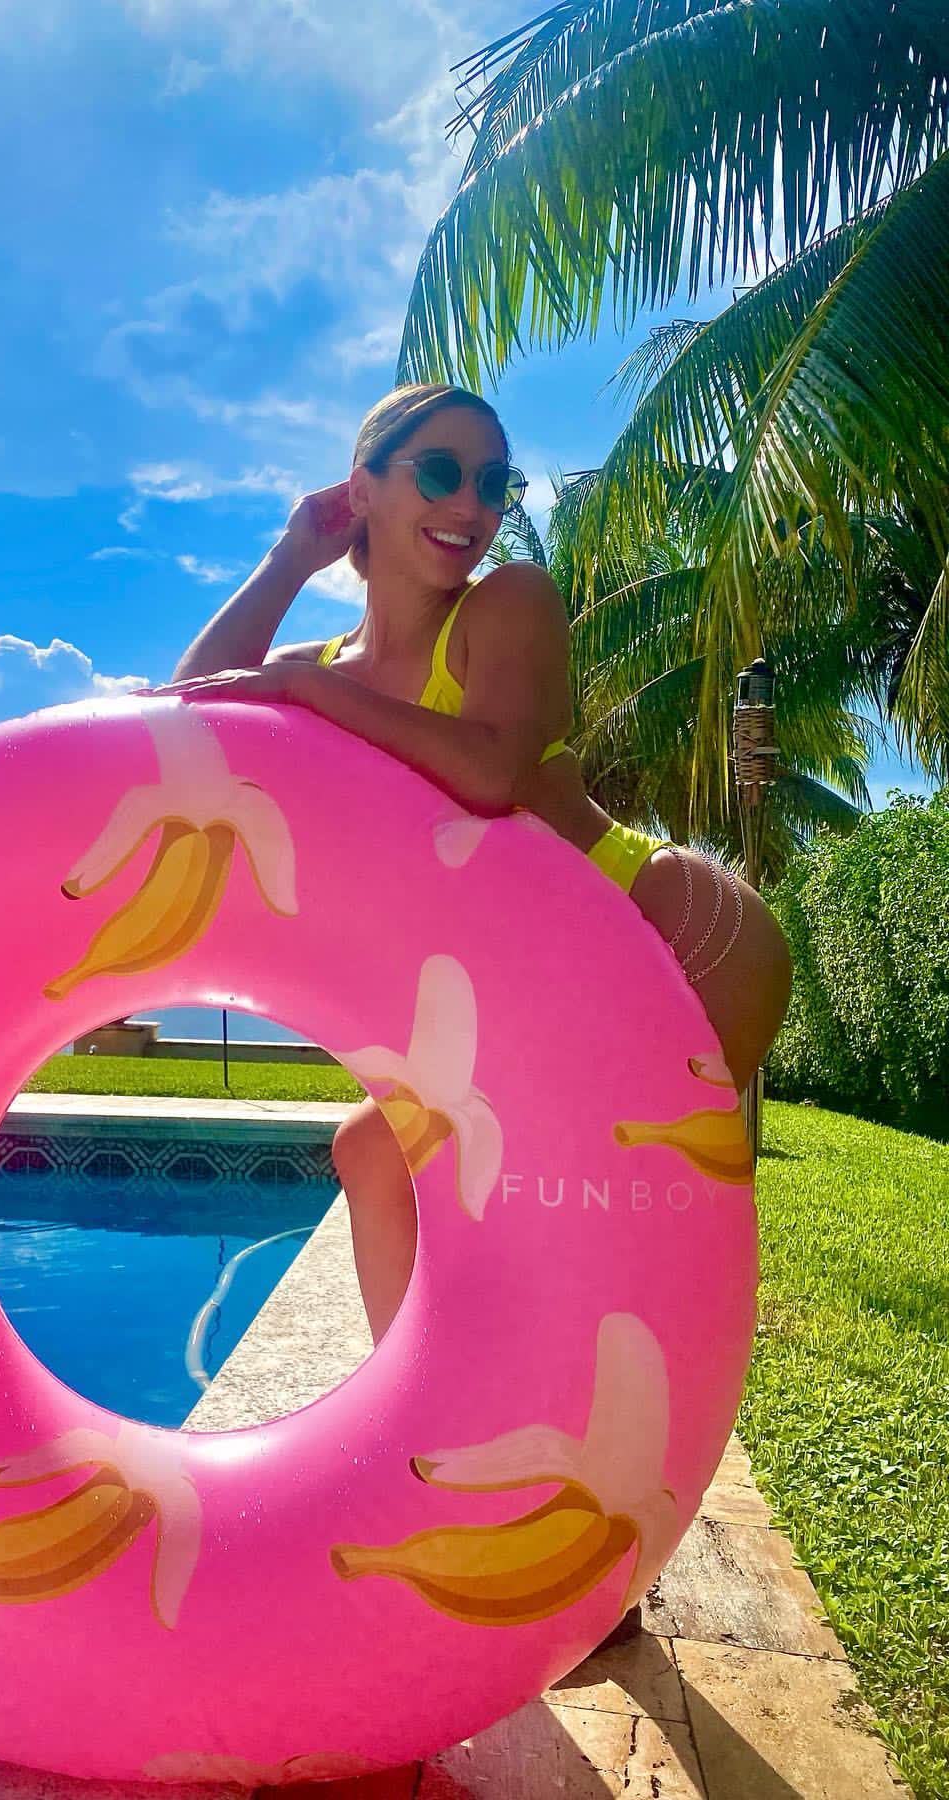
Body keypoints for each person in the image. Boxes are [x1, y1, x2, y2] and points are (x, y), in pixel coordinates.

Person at [153, 381, 792, 1321]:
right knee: (375, 1156)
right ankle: (419, 1407)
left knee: (598, 1233)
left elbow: (492, 773)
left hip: (677, 940)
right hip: (541, 979)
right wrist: (290, 559)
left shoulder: (506, 604)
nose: (471, 506)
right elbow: (186, 720)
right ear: (361, 490)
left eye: (494, 484)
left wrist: (311, 699)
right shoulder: (315, 674)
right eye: (441, 472)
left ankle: (568, 1404)